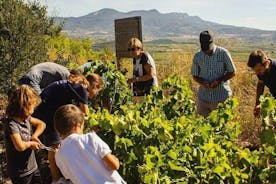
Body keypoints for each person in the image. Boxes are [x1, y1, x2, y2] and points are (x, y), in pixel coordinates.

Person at [33, 72, 103, 183]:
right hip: (46, 113)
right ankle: (56, 179)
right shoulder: (83, 89)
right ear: (94, 85)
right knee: (55, 147)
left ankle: (60, 174)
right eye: (97, 91)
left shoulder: (77, 85)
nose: (96, 95)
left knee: (57, 145)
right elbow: (86, 113)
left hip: (45, 109)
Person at [54, 104, 125, 184]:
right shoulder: (90, 139)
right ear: (77, 126)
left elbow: (68, 176)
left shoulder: (59, 155)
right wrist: (116, 159)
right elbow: (114, 166)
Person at [4, 85, 46, 184]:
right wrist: (31, 144)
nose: (34, 109)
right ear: (24, 105)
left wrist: (34, 136)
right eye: (32, 106)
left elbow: (42, 124)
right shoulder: (12, 124)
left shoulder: (26, 118)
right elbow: (20, 146)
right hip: (20, 172)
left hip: (32, 166)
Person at [191, 30, 236, 117]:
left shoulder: (223, 53)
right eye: (205, 50)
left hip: (221, 98)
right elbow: (195, 75)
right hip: (203, 99)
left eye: (208, 49)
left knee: (221, 128)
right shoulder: (198, 56)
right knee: (202, 127)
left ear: (212, 43)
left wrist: (219, 81)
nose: (207, 52)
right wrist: (203, 83)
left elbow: (232, 72)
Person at [247, 50, 276, 117]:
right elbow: (260, 84)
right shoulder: (261, 71)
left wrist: (262, 105)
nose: (257, 73)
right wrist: (257, 103)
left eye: (259, 70)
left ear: (266, 63)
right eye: (255, 71)